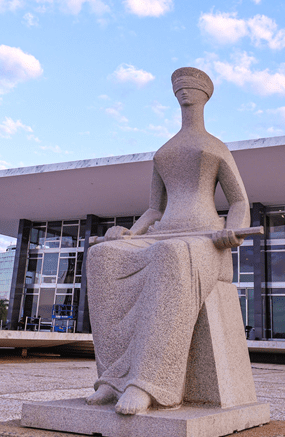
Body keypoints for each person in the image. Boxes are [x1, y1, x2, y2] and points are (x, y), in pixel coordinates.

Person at [84, 67, 250, 415]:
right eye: (179, 88)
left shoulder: (215, 147)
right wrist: (130, 233)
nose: (184, 92)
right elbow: (153, 209)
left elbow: (239, 201)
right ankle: (113, 378)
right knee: (103, 257)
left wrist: (232, 230)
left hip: (207, 241)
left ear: (205, 95)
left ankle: (148, 382)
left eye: (191, 87)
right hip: (162, 234)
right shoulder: (164, 152)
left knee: (171, 254)